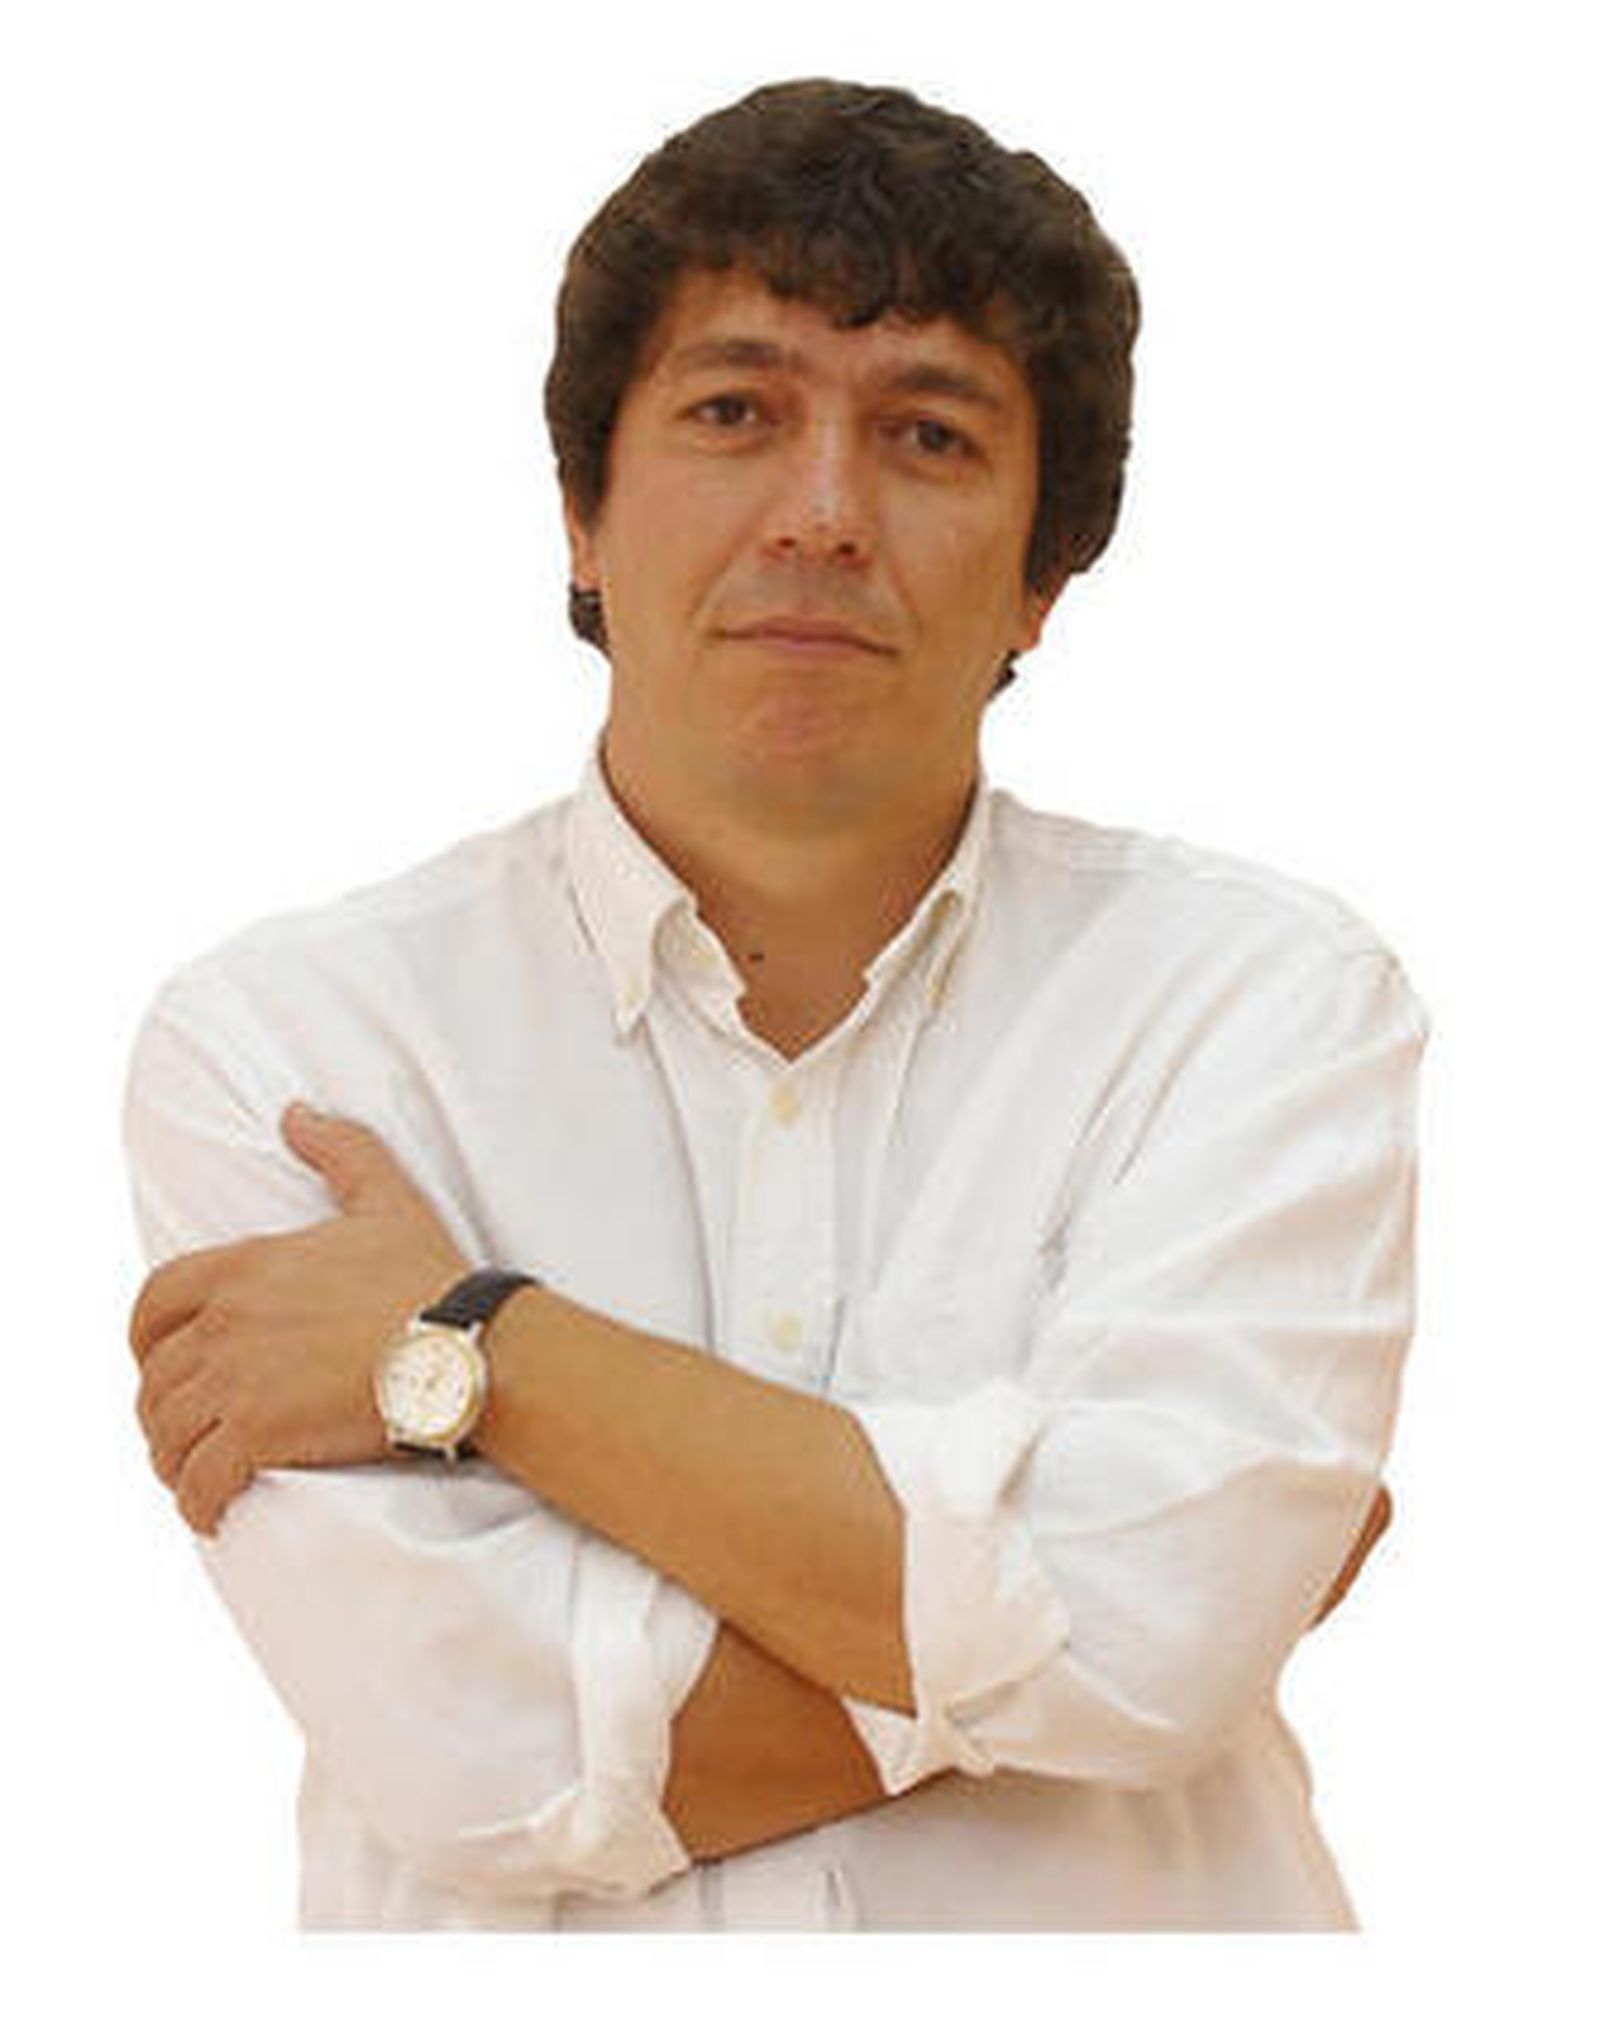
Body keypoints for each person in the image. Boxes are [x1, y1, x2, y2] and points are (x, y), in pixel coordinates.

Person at [123, 78, 1426, 1931]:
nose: (822, 513)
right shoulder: (294, 1049)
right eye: (735, 412)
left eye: (928, 436)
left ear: (1045, 579)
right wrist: (1080, 1633)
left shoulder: (1259, 1005)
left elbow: (1162, 1639)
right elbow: (474, 1762)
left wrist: (471, 1350)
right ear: (581, 514)